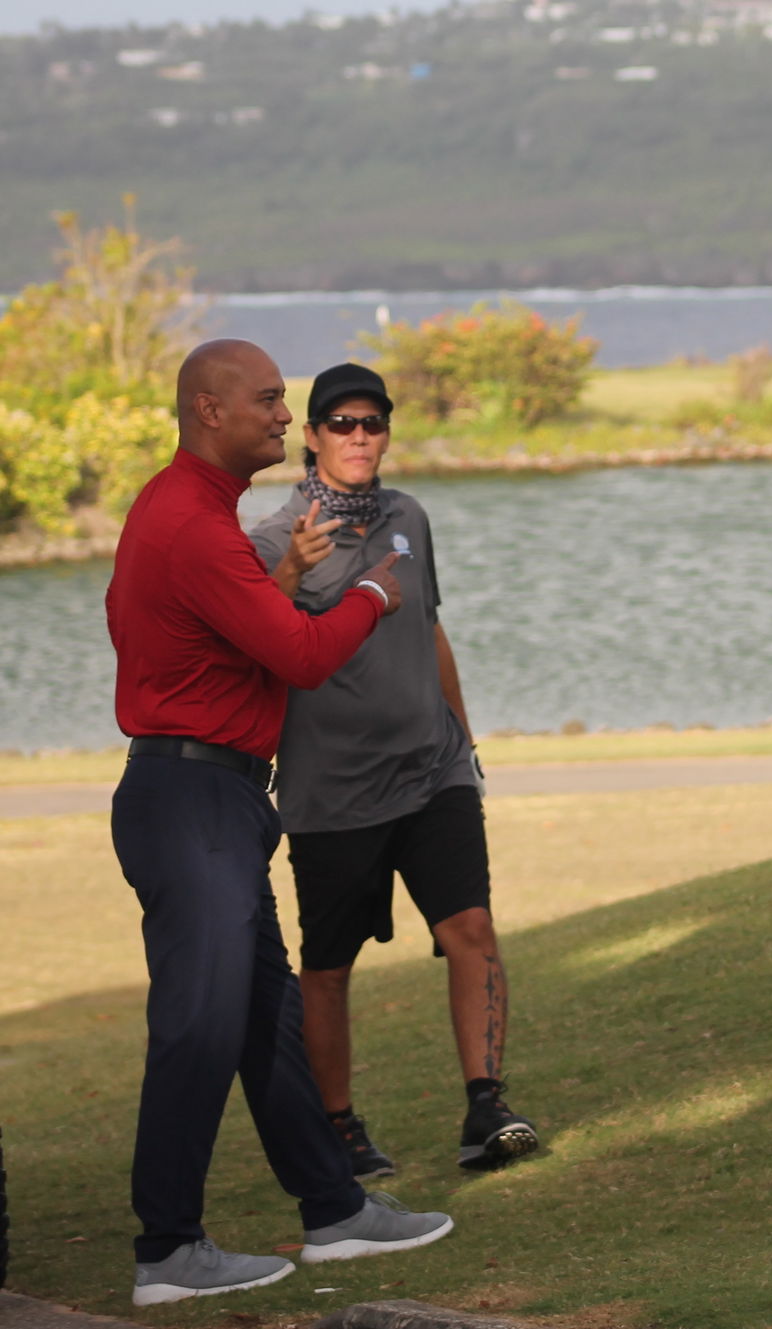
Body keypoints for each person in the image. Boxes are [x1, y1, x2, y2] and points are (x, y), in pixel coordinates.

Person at [107, 340, 453, 1308]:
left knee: (267, 1022)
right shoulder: (191, 524)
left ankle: (333, 1210)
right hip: (191, 799)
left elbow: (235, 635)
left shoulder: (182, 512)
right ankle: (168, 1247)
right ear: (208, 411)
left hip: (211, 795)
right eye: (265, 401)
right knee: (201, 1025)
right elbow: (300, 657)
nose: (280, 415)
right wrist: (379, 590)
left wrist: (296, 590)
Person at [250, 363, 537, 1177]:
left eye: (371, 423)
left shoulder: (410, 516)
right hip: (331, 790)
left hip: (432, 768)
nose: (359, 437)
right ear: (310, 437)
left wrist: (466, 742)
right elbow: (257, 647)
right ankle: (337, 1125)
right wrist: (293, 575)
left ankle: (487, 1105)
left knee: (471, 930)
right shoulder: (273, 538)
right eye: (340, 424)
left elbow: (432, 631)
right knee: (330, 968)